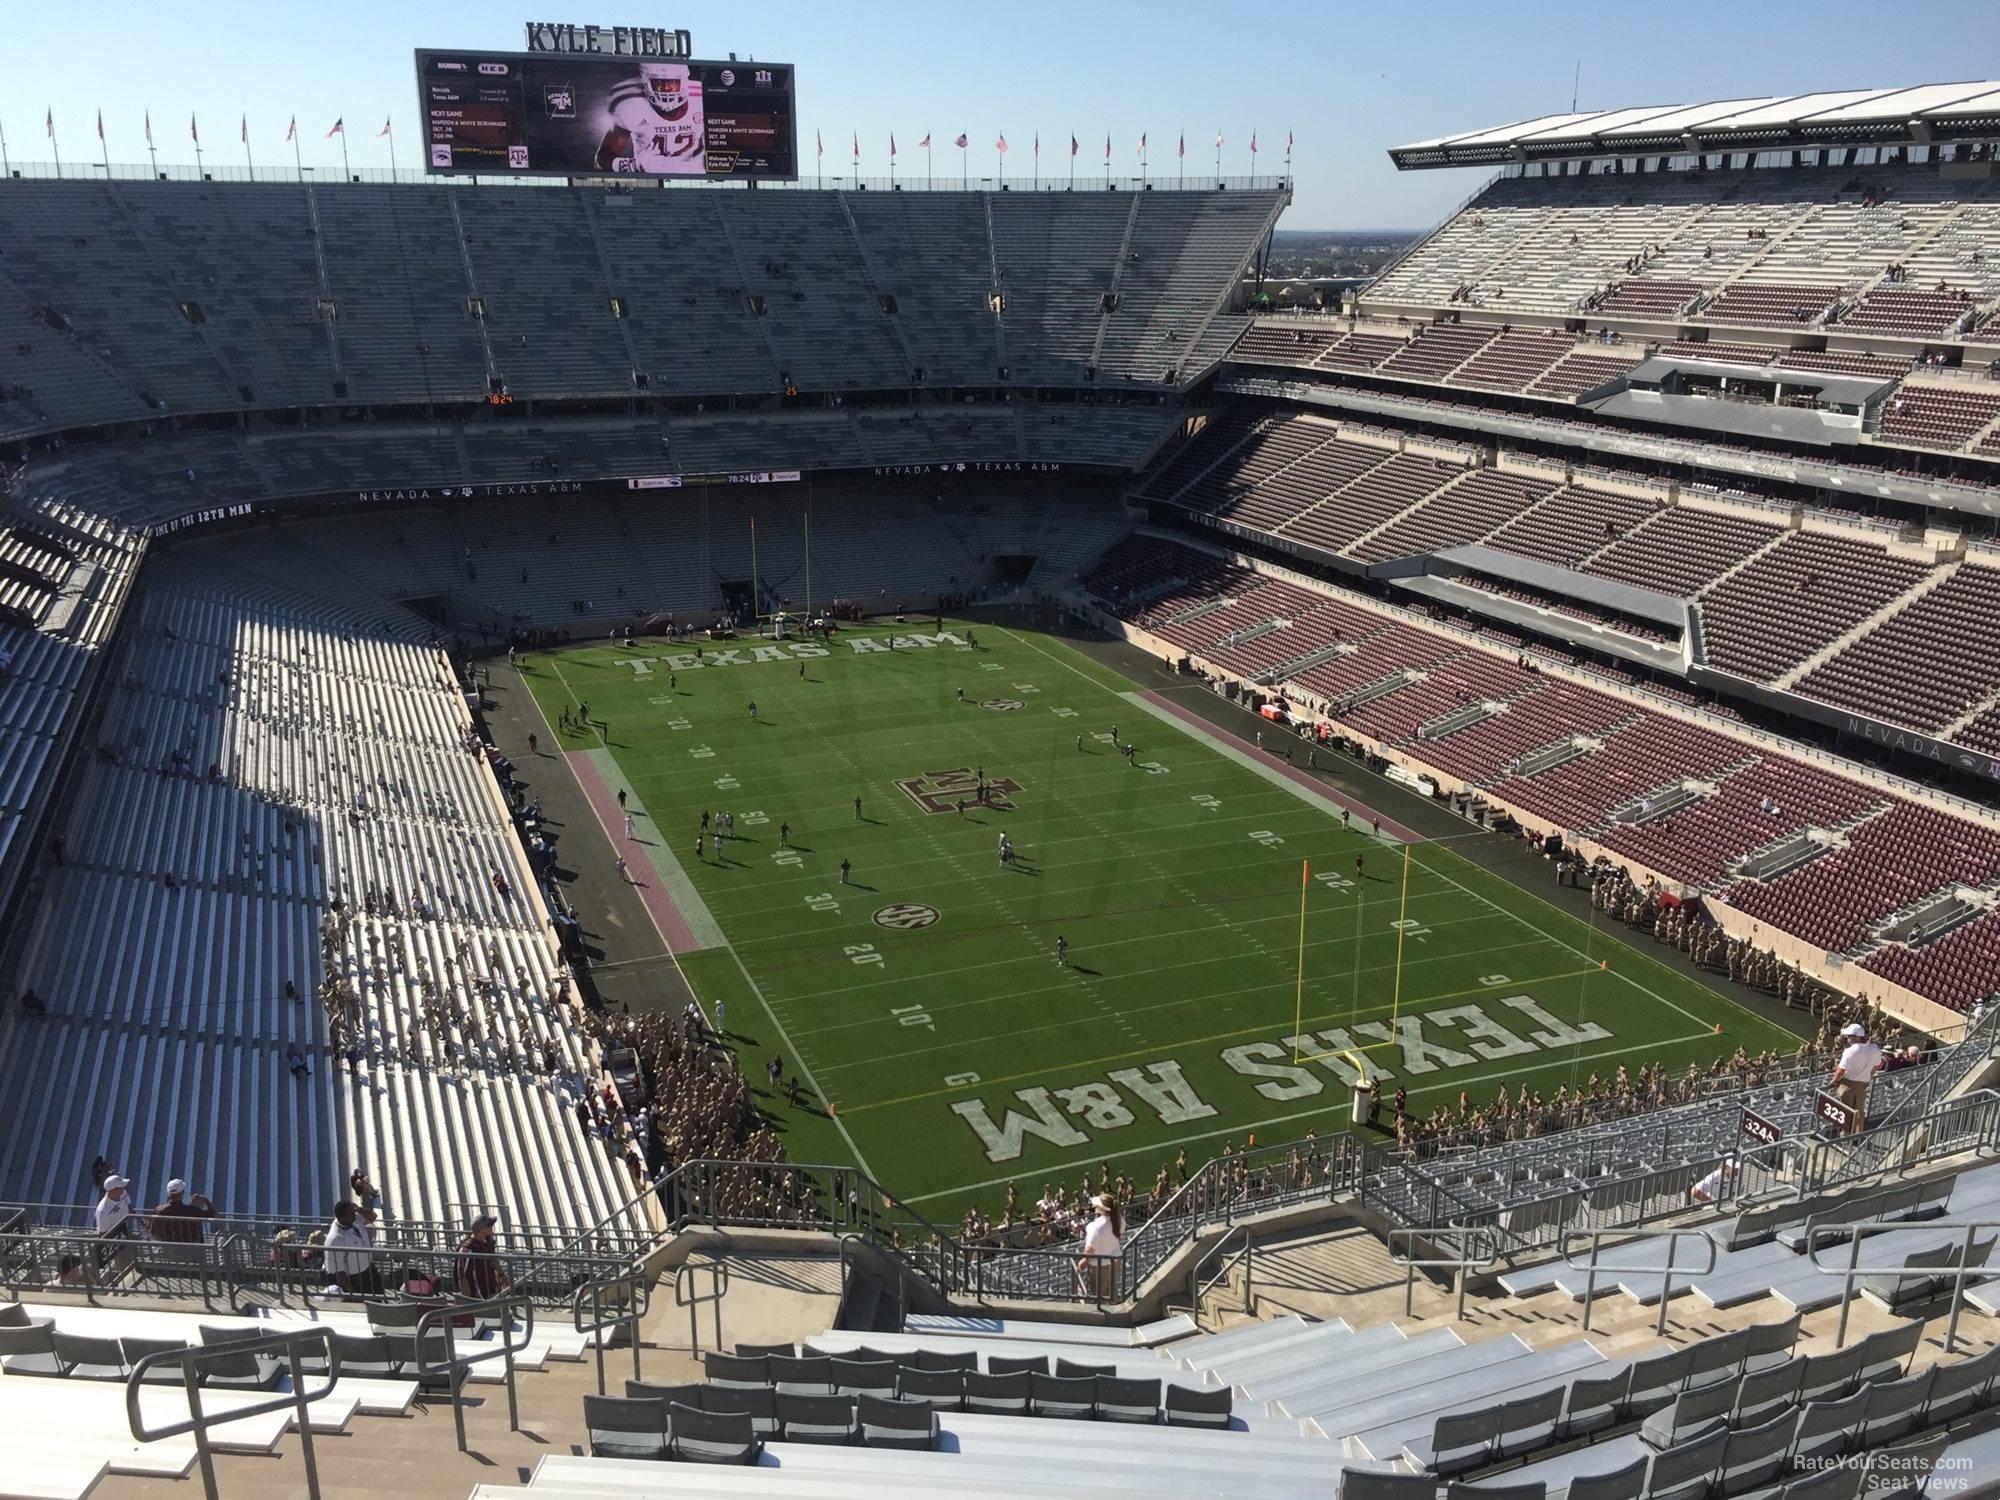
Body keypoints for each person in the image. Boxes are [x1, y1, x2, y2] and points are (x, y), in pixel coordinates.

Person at [1831, 1022, 1883, 1134]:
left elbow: (1840, 1071)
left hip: (1848, 1084)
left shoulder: (1850, 1051)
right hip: (1863, 1083)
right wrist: (1869, 1074)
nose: (1847, 1038)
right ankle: (1859, 1133)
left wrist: (1833, 1082)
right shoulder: (1874, 1049)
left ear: (1856, 1037)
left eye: (1849, 1036)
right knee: (1859, 1111)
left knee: (1846, 1110)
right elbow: (1878, 1065)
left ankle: (1846, 1134)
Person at [324, 1201, 382, 1296]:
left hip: (369, 1268)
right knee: (367, 1304)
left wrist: (359, 1209)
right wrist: (353, 1294)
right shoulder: (335, 1239)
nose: (354, 1215)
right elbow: (339, 1272)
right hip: (355, 1277)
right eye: (351, 1213)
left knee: (379, 1296)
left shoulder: (355, 1218)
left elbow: (373, 1216)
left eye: (354, 1212)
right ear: (341, 1217)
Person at [454, 1215, 511, 1299]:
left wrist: (502, 1277)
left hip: (492, 1289)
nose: (492, 1228)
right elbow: (462, 1277)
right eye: (490, 1226)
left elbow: (494, 1262)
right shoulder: (468, 1249)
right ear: (483, 1229)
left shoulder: (488, 1242)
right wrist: (467, 1301)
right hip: (479, 1295)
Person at [1080, 1193, 1123, 1299]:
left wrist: (1083, 1261)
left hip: (1100, 1265)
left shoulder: (1096, 1227)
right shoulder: (1120, 1219)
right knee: (1111, 1288)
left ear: (1102, 1209)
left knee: (1099, 1293)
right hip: (1115, 1260)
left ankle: (1105, 1313)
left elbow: (1090, 1249)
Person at [148, 1179, 217, 1244]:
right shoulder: (192, 1210)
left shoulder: (158, 1210)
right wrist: (204, 1198)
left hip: (166, 1249)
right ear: (182, 1193)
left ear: (168, 1193)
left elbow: (153, 1232)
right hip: (191, 1249)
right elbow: (212, 1213)